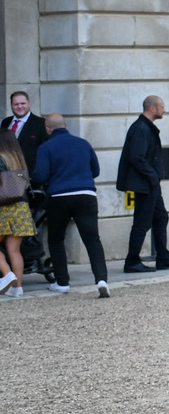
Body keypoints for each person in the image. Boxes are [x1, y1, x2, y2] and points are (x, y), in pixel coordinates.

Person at [30, 114, 110, 297]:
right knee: (92, 239)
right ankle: (101, 280)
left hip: (60, 196)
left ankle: (62, 282)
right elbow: (95, 170)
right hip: (86, 194)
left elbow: (40, 176)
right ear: (65, 125)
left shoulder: (46, 147)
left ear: (48, 128)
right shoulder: (83, 143)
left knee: (56, 239)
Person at [116, 95, 169, 273]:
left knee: (161, 217)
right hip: (144, 184)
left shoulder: (146, 127)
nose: (164, 110)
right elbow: (136, 157)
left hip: (149, 183)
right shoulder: (141, 129)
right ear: (152, 108)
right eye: (162, 106)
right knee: (142, 222)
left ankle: (163, 257)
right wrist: (153, 175)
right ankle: (132, 261)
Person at [8, 92, 49, 279]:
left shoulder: (40, 125)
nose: (19, 107)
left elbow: (46, 153)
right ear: (11, 105)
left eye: (22, 103)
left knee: (27, 227)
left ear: (29, 104)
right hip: (7, 185)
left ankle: (29, 258)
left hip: (31, 185)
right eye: (16, 104)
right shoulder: (6, 123)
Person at [0, 128, 35, 298]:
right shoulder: (18, 159)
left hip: (3, 208)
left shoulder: (0, 158)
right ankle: (18, 287)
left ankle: (7, 274)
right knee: (14, 250)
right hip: (20, 207)